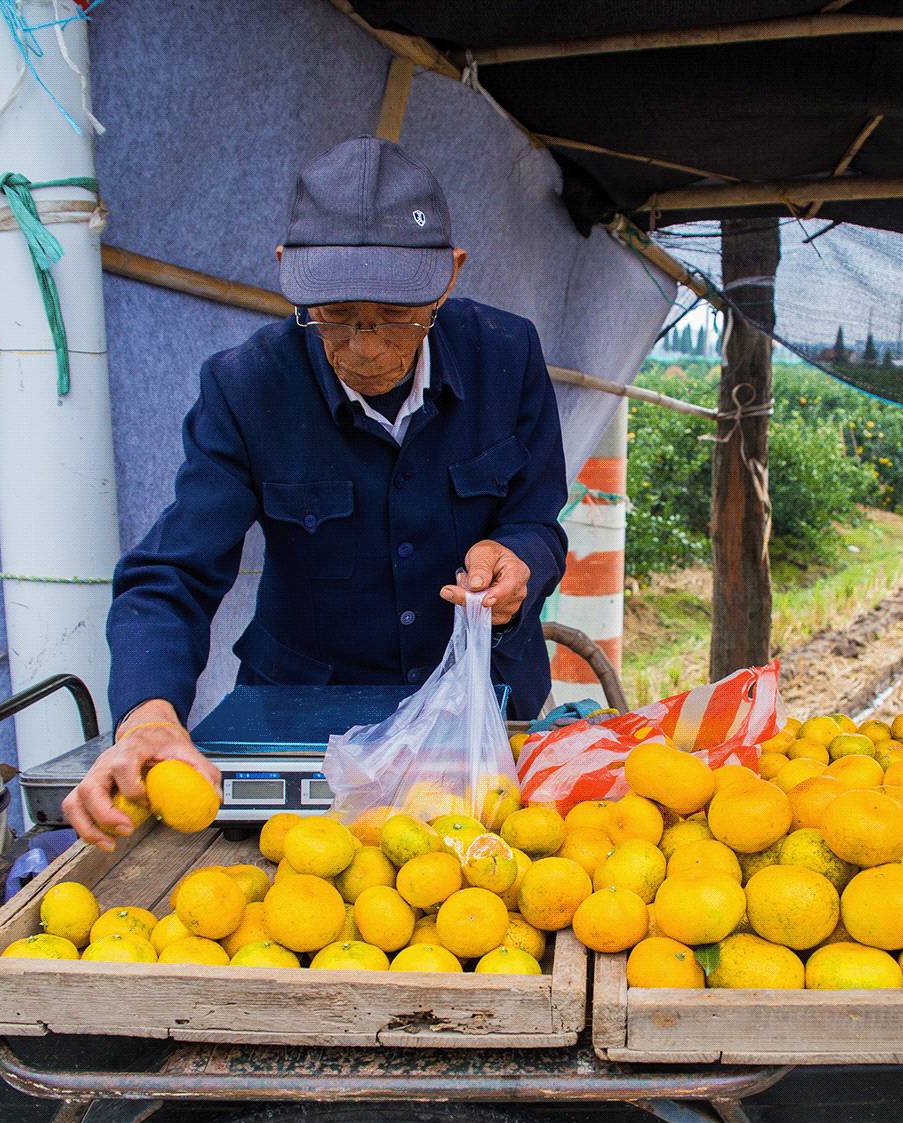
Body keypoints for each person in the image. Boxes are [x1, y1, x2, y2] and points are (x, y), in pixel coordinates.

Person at [61, 137, 567, 850]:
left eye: (397, 313)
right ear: (288, 279)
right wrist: (147, 717)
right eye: (334, 312)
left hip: (478, 715)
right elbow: (171, 573)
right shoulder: (245, 387)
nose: (365, 347)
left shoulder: (506, 357)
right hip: (302, 719)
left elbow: (537, 518)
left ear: (447, 278)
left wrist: (517, 558)